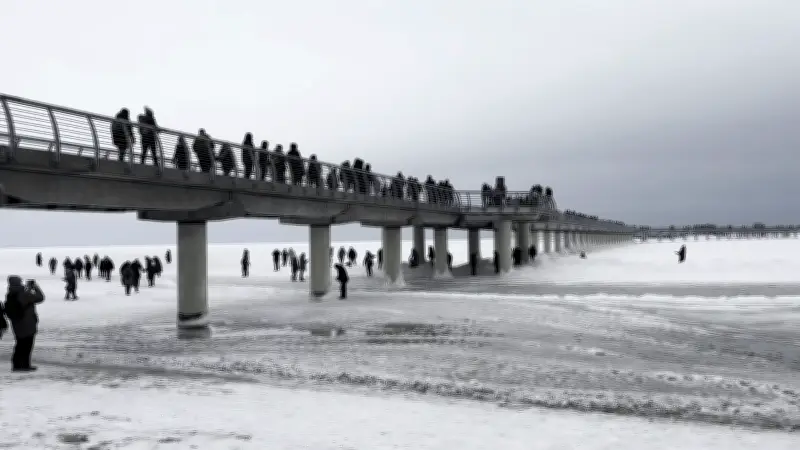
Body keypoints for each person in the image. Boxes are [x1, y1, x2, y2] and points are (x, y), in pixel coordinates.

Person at [4, 276, 45, 372]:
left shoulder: (10, 293)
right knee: (27, 345)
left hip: (17, 323)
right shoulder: (24, 294)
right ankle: (24, 365)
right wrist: (35, 287)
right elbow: (40, 297)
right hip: (27, 323)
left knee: (19, 344)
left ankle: (17, 364)